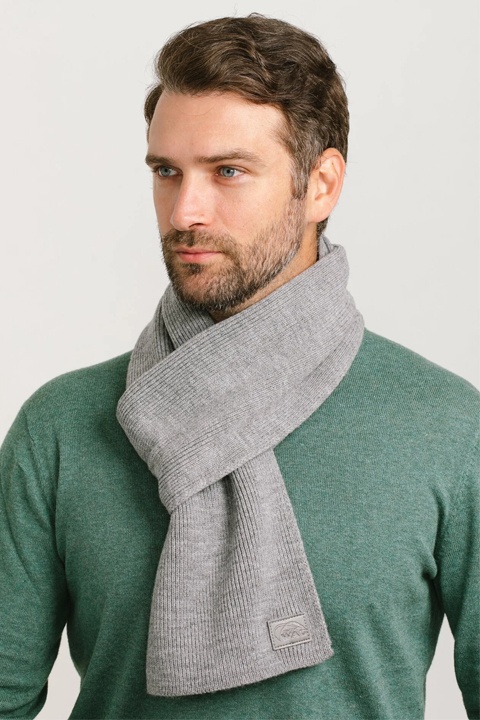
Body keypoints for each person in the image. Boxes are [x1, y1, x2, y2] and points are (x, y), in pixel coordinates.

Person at [0, 13, 478, 720]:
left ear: (321, 184)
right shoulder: (62, 428)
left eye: (228, 171)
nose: (184, 211)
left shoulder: (448, 429)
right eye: (167, 172)